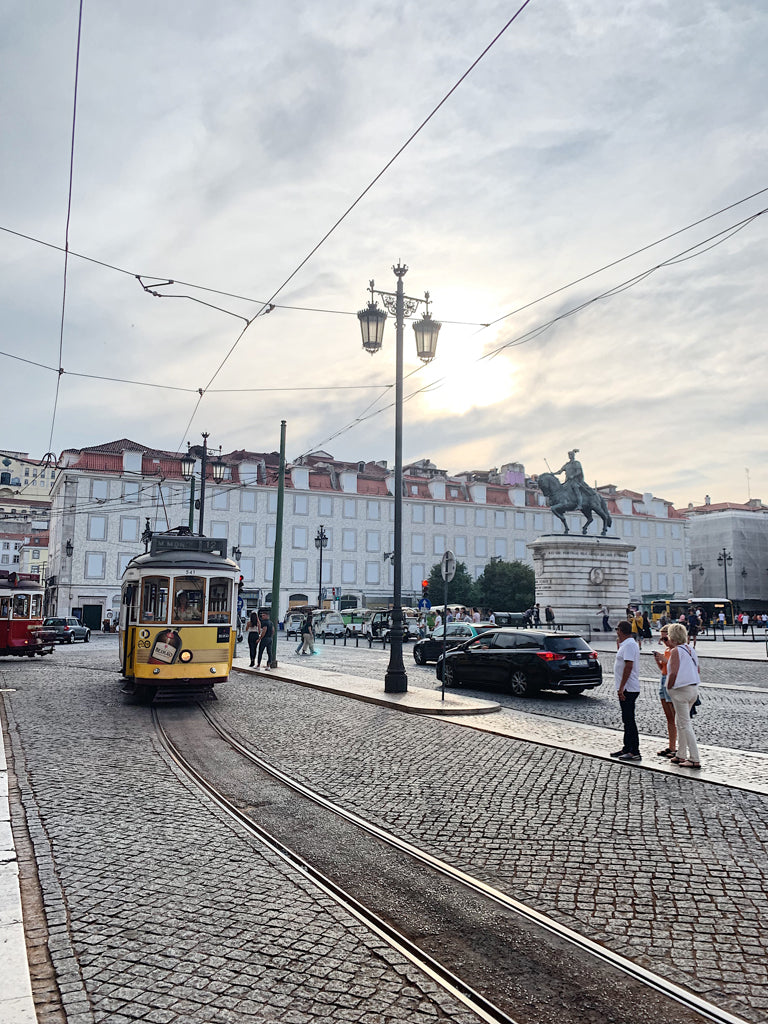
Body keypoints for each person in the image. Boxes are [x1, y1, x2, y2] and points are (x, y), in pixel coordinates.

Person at [666, 622, 701, 769]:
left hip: (680, 690)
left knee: (685, 723)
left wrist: (669, 686)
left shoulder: (675, 651)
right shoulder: (690, 649)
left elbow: (673, 672)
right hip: (693, 689)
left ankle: (694, 757)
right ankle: (681, 753)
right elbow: (697, 668)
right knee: (680, 721)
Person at [611, 621, 641, 762]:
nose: (616, 632)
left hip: (628, 688)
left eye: (617, 629)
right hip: (626, 687)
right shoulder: (626, 644)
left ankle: (634, 750)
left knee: (629, 720)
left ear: (621, 630)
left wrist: (622, 687)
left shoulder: (629, 645)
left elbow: (628, 666)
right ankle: (627, 747)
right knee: (626, 719)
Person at [653, 626, 676, 758]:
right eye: (661, 638)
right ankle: (671, 746)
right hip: (663, 678)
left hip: (670, 680)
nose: (663, 641)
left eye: (665, 638)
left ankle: (676, 747)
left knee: (674, 715)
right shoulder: (667, 650)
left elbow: (674, 666)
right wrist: (658, 660)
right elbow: (664, 668)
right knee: (669, 717)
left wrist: (664, 659)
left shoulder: (676, 651)